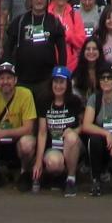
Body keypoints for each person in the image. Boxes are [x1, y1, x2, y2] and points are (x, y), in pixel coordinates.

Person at [9, 0, 67, 105]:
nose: (39, 0)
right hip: (22, 80)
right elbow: (8, 48)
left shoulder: (54, 22)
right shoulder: (19, 21)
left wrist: (60, 75)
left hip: (46, 81)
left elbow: (62, 51)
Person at [31, 65, 83, 195]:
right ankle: (55, 177)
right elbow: (42, 133)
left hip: (72, 145)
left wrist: (74, 131)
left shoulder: (75, 101)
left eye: (62, 82)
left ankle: (71, 179)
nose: (58, 86)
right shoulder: (44, 101)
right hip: (53, 147)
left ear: (67, 84)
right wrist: (38, 162)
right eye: (55, 82)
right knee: (54, 163)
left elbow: (85, 124)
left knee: (71, 138)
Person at [79, 63, 112, 195]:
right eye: (102, 78)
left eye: (109, 77)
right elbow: (86, 125)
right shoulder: (94, 99)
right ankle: (95, 180)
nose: (106, 80)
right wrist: (106, 133)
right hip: (102, 143)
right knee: (94, 139)